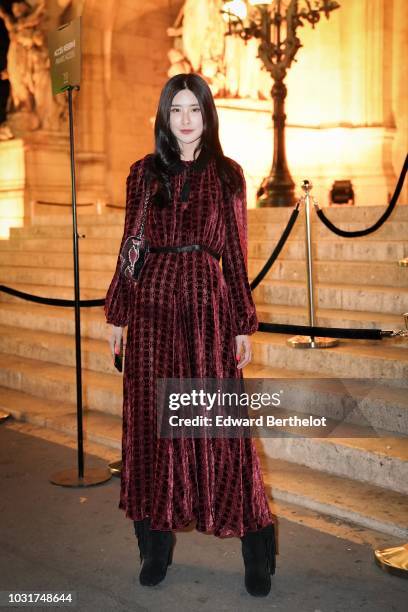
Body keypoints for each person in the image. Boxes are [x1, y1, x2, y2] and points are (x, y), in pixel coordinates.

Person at [104, 73, 276, 598]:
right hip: (152, 312)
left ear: (207, 116)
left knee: (221, 434)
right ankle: (153, 548)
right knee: (151, 434)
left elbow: (237, 257)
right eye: (176, 109)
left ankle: (256, 548)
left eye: (194, 110)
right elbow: (132, 244)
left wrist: (243, 321)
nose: (184, 119)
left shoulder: (228, 176)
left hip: (206, 310)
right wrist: (117, 311)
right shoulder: (141, 174)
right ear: (164, 115)